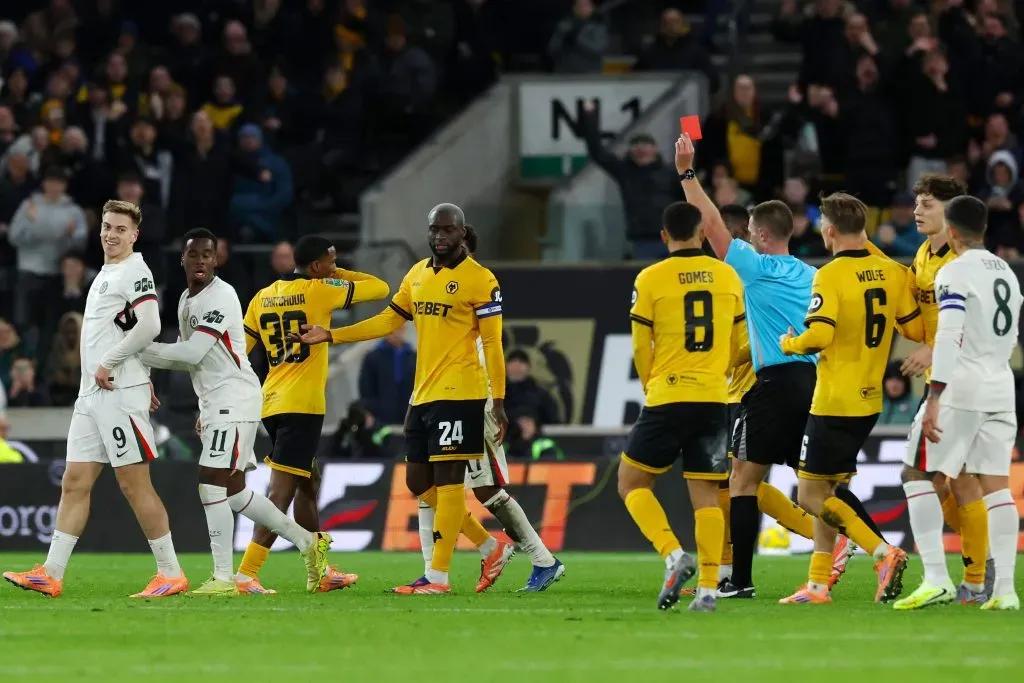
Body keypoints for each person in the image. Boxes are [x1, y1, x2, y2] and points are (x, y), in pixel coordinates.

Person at [676, 134, 869, 599]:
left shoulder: (754, 266)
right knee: (818, 482)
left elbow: (709, 222)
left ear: (760, 236)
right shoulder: (812, 272)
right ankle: (880, 548)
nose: (739, 240)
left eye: (747, 235)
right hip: (816, 382)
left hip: (775, 381)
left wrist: (686, 172)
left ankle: (738, 579)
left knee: (743, 479)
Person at [294, 204, 509, 595]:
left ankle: (438, 579)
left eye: (448, 230)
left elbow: (493, 343)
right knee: (417, 482)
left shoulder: (481, 279)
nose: (440, 237)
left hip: (462, 390)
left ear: (462, 233)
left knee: (447, 484)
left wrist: (499, 400)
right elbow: (388, 320)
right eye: (434, 230)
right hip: (424, 391)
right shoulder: (418, 274)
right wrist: (331, 335)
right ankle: (490, 546)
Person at [4, 200, 186, 598]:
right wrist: (142, 371)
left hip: (117, 392)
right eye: (106, 226)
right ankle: (51, 573)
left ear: (134, 235)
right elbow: (127, 329)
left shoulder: (135, 270)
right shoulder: (108, 272)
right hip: (93, 394)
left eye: (121, 229)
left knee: (133, 484)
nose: (111, 234)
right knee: (74, 481)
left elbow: (152, 324)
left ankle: (170, 572)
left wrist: (115, 364)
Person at [137, 229, 332, 595]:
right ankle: (309, 544)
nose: (200, 261)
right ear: (183, 258)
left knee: (210, 483)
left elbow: (193, 353)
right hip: (218, 400)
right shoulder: (184, 300)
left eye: (207, 255)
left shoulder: (222, 296)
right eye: (193, 254)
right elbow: (198, 362)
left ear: (216, 260)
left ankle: (224, 578)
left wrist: (136, 350)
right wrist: (203, 405)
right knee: (237, 494)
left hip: (235, 398)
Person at [777, 192, 923, 605]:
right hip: (869, 400)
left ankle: (882, 552)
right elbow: (912, 330)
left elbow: (819, 335)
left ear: (829, 229)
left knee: (809, 496)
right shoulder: (892, 271)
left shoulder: (830, 274)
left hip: (834, 399)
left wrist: (790, 344)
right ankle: (818, 584)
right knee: (831, 491)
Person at [865, 174, 994, 602]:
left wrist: (932, 352)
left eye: (927, 204)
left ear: (951, 211)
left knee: (921, 475)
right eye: (917, 204)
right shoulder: (922, 256)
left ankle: (957, 576)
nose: (917, 211)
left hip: (961, 377)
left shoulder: (964, 260)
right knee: (953, 480)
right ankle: (979, 571)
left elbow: (972, 329)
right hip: (946, 379)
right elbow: (922, 323)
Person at [415, 224, 564, 593]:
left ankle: (538, 559)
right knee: (431, 485)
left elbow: (491, 350)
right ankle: (440, 569)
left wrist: (495, 404)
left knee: (485, 491)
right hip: (445, 396)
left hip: (472, 401)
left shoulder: (478, 288)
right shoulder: (441, 286)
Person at [237, 234, 387, 593]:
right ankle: (247, 572)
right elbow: (379, 288)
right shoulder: (321, 290)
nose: (336, 267)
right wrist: (334, 276)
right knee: (281, 493)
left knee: (309, 483)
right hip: (302, 404)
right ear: (317, 266)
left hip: (270, 401)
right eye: (331, 261)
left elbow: (241, 351)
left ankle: (319, 570)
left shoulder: (263, 296)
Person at [895, 196, 1021, 611]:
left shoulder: (953, 271)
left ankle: (935, 578)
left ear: (951, 231)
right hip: (1002, 387)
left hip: (961, 389)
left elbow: (948, 335)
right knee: (996, 488)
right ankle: (1004, 590)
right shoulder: (1006, 271)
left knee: (916, 472)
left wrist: (934, 397)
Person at [618, 201, 745, 613]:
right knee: (706, 497)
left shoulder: (650, 278)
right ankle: (709, 589)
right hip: (713, 397)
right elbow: (742, 344)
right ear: (703, 234)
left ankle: (674, 555)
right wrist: (717, 372)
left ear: (663, 236)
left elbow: (640, 345)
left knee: (632, 483)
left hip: (668, 395)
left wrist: (652, 381)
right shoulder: (728, 276)